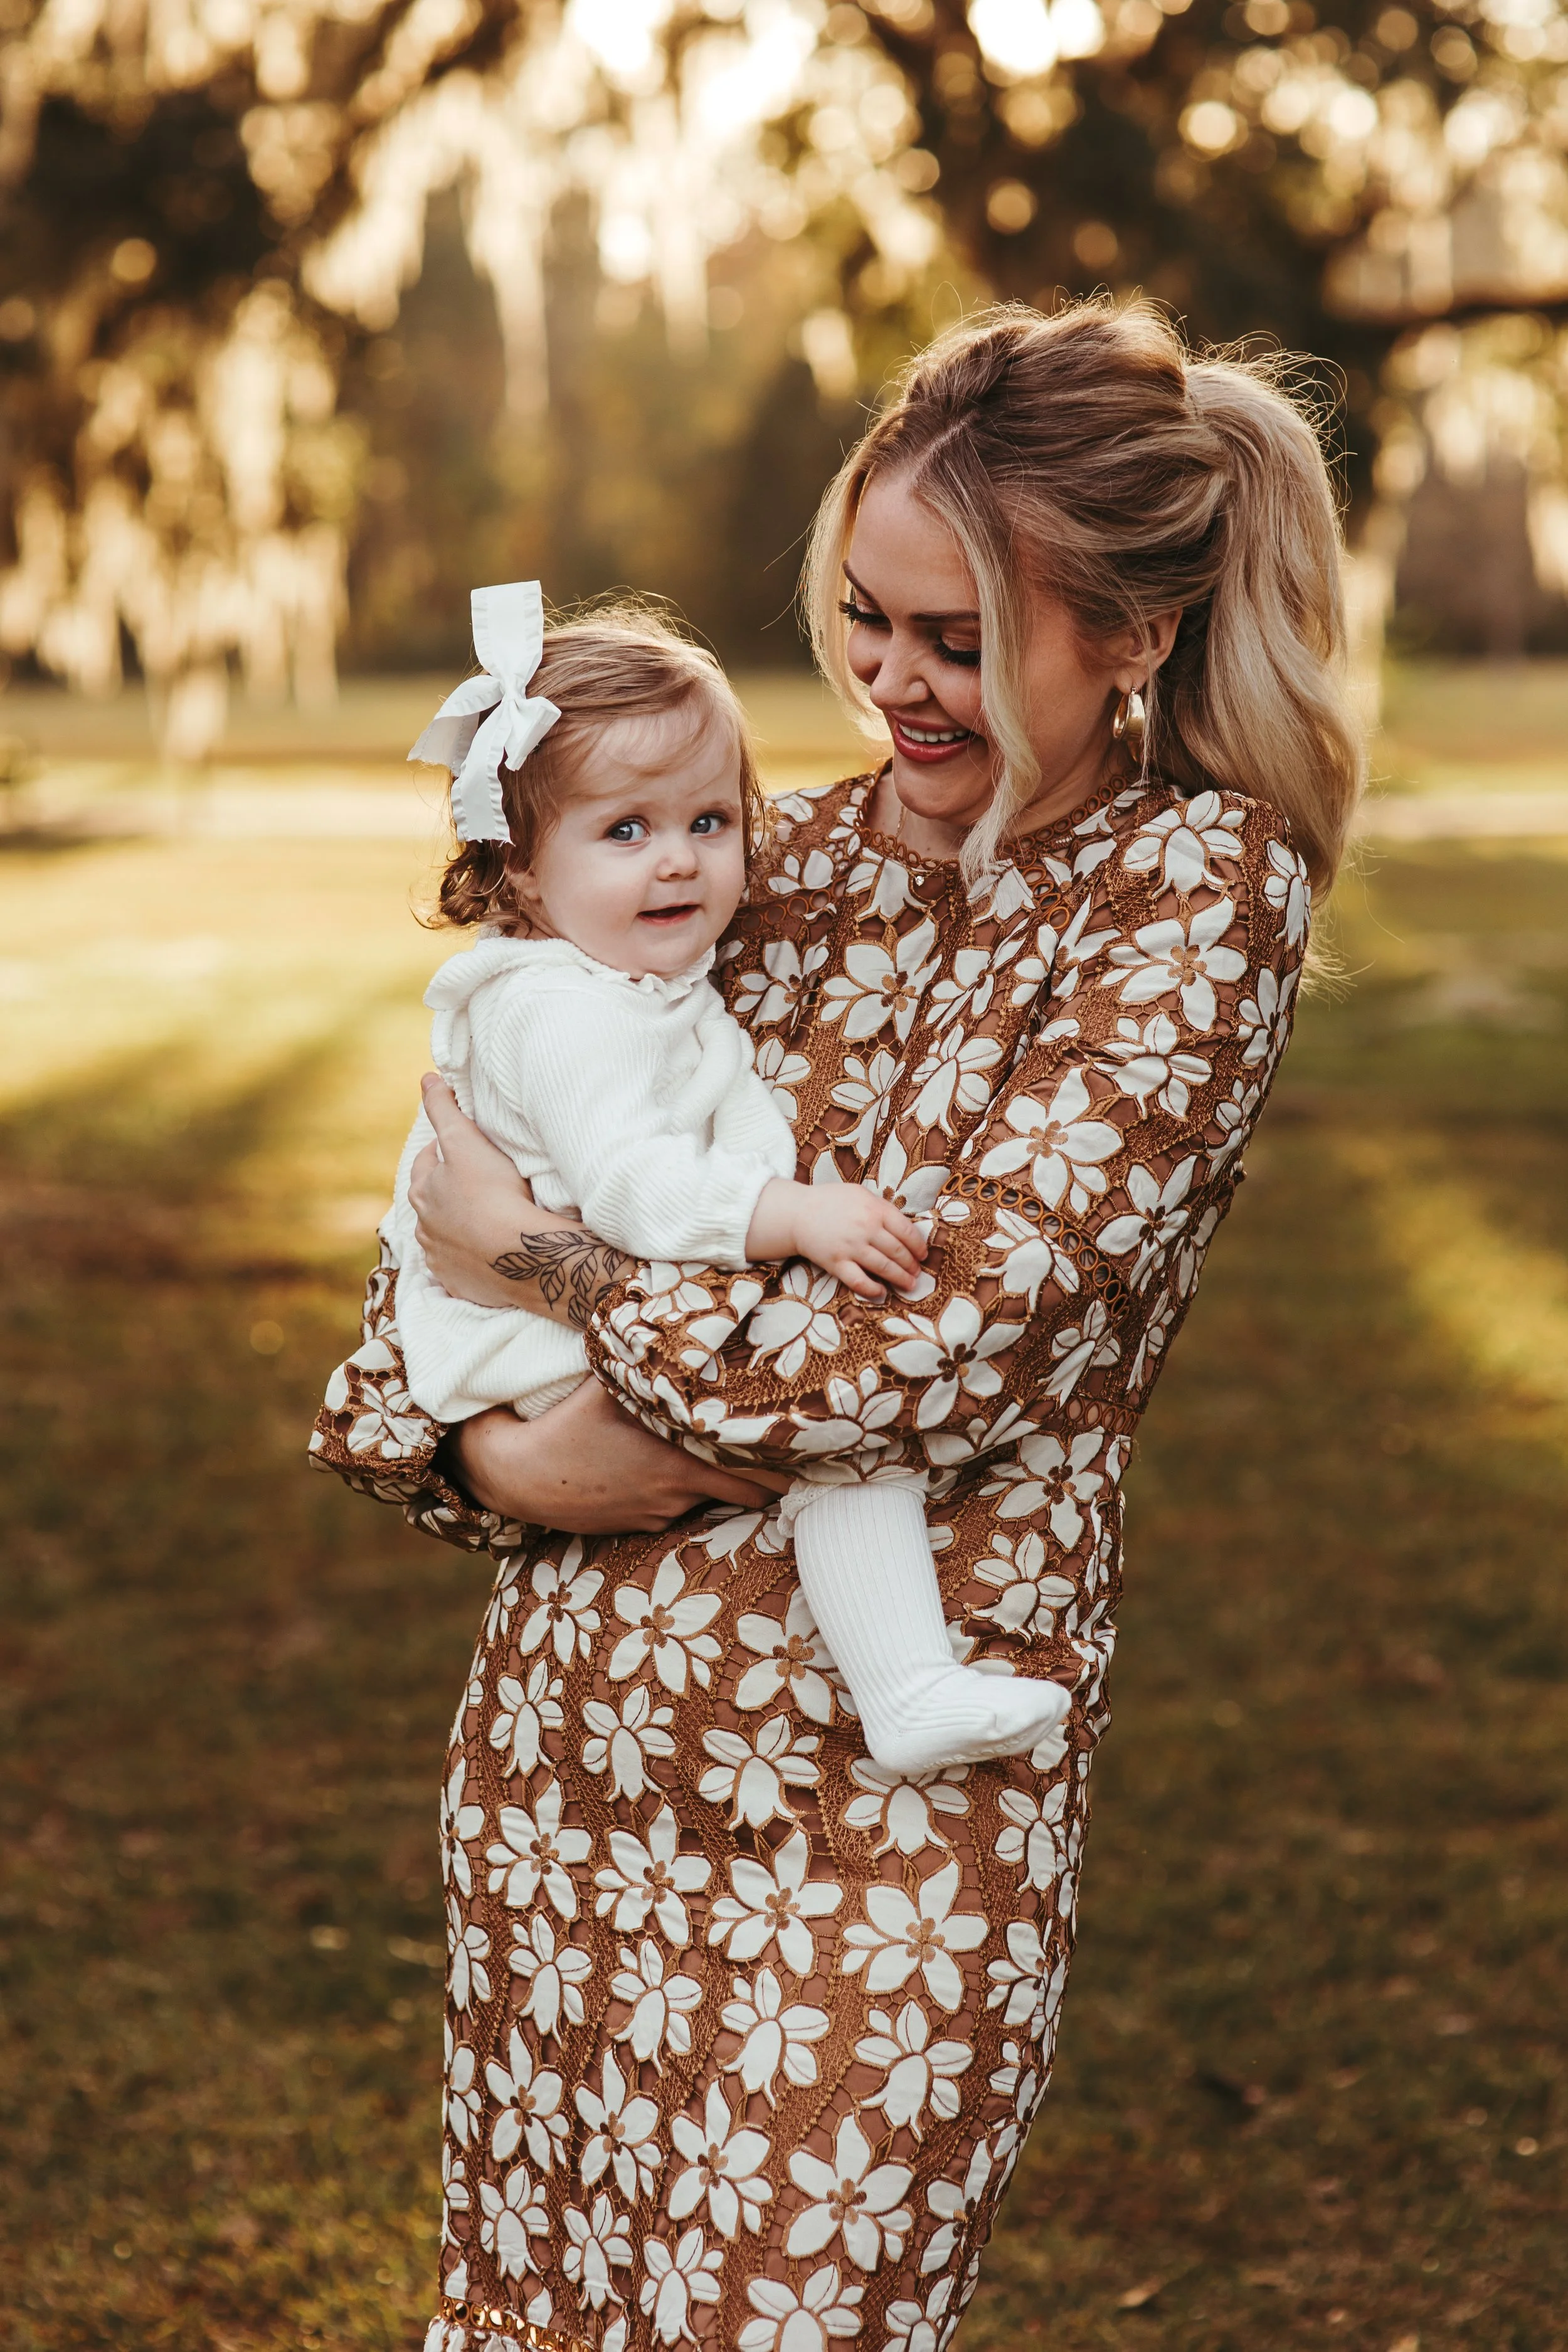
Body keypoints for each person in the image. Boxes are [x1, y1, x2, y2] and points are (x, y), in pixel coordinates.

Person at [311, 296, 1362, 2352]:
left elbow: (920, 1362)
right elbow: (410, 1280)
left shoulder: (1192, 904)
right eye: (867, 620)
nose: (893, 681)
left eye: (958, 637)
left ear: (1131, 636)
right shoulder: (755, 863)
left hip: (894, 1812)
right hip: (581, 1757)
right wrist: (502, 1443)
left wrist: (566, 1290)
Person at [386, 585, 1068, 1772]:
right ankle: (904, 1687)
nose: (680, 864)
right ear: (523, 871)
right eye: (626, 831)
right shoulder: (556, 1009)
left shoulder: (635, 978)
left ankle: (904, 1693)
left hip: (575, 1317)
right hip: (520, 1353)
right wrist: (791, 1215)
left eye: (710, 821)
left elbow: (725, 1119)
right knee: (831, 1436)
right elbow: (630, 1184)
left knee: (825, 1436)